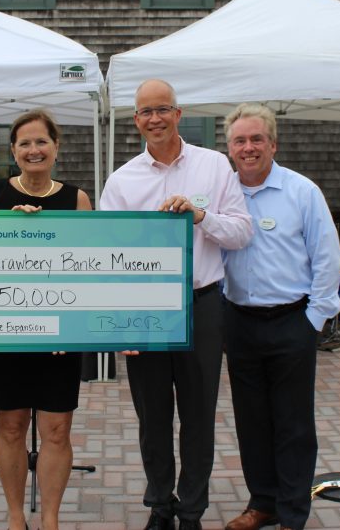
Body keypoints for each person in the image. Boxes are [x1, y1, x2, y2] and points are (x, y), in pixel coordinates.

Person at [99, 79, 252, 530]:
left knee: (199, 414)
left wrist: (201, 217)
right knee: (153, 416)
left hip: (201, 304)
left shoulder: (214, 167)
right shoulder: (123, 180)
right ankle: (161, 506)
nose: (155, 119)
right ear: (136, 121)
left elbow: (243, 233)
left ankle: (192, 511)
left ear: (178, 114)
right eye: (146, 112)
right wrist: (121, 324)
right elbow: (109, 258)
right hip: (145, 310)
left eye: (163, 109)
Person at [0, 109, 92, 530]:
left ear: (56, 148)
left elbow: (89, 269)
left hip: (58, 335)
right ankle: (16, 517)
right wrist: (5, 227)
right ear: (13, 152)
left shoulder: (76, 199)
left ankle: (50, 520)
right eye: (24, 143)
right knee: (13, 426)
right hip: (4, 333)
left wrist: (74, 325)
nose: (34, 150)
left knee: (57, 430)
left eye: (42, 142)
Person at [220, 103, 340, 530]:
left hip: (293, 322)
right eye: (240, 140)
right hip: (238, 322)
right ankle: (264, 503)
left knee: (293, 424)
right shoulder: (223, 193)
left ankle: (293, 513)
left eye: (257, 139)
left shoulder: (302, 192)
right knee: (251, 421)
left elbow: (328, 257)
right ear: (229, 148)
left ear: (273, 144)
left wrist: (314, 319)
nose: (248, 147)